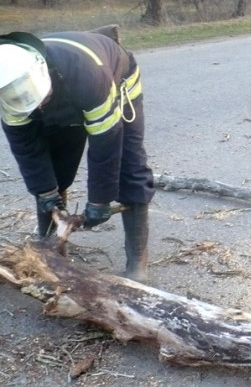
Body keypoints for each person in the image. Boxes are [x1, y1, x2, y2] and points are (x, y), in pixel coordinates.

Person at [0, 29, 154, 282]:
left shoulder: (87, 77)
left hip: (113, 82)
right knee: (55, 169)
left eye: (33, 97)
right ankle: (51, 249)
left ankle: (137, 261)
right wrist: (46, 192)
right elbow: (29, 151)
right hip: (61, 98)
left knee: (130, 167)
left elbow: (106, 144)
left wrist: (100, 201)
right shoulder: (10, 96)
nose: (35, 105)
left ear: (40, 71)